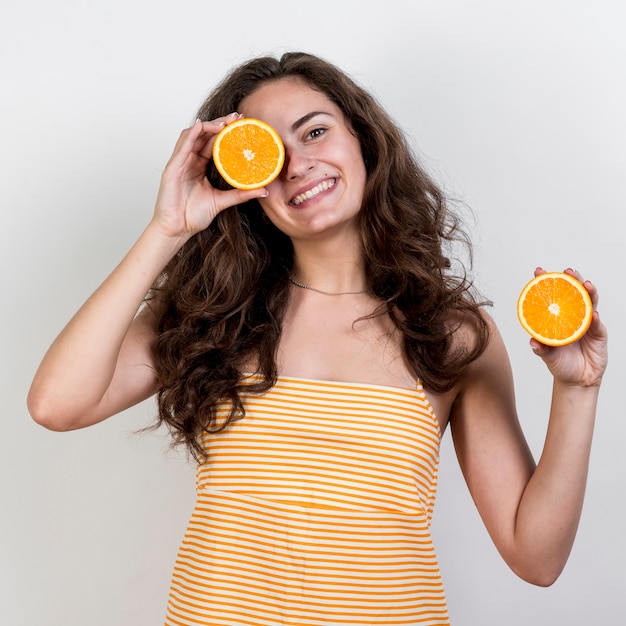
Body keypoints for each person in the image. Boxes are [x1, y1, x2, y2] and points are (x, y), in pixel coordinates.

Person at [27, 51, 608, 626]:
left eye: (315, 132)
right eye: (268, 152)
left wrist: (577, 389)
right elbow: (56, 405)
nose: (297, 164)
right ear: (243, 179)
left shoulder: (451, 333)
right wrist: (167, 228)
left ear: (363, 141)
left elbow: (537, 558)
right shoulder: (213, 317)